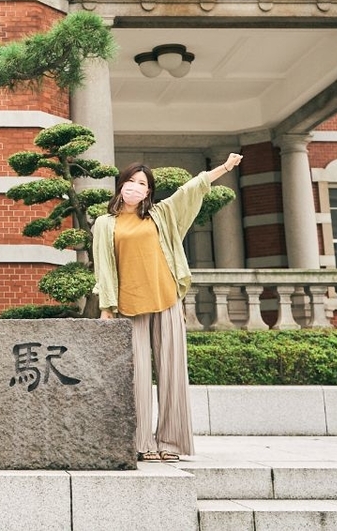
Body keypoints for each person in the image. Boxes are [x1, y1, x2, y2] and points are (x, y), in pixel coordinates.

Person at [92, 153, 243, 462]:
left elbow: (191, 189)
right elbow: (104, 268)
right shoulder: (104, 224)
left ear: (149, 191)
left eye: (142, 184)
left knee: (172, 372)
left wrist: (225, 168)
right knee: (138, 378)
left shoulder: (161, 214)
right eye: (130, 182)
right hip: (130, 306)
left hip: (166, 300)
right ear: (121, 186)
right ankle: (141, 442)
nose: (134, 187)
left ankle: (171, 443)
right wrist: (106, 308)